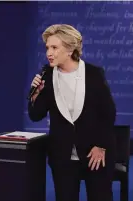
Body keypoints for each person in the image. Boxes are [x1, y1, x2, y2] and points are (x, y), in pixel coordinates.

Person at [28, 24, 116, 201]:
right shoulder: (47, 76)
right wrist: (35, 94)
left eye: (54, 47)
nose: (48, 53)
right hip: (62, 155)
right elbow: (36, 115)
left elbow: (108, 113)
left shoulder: (93, 74)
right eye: (47, 48)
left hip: (94, 153)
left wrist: (101, 146)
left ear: (69, 49)